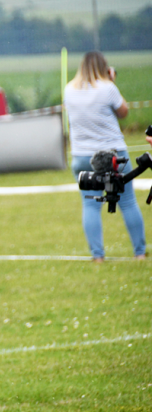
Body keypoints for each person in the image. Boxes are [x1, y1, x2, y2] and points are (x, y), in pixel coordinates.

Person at [65, 52, 146, 262]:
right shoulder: (108, 88)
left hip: (82, 156)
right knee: (127, 202)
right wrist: (111, 82)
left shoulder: (69, 90)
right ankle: (139, 252)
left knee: (90, 205)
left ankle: (98, 256)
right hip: (113, 155)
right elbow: (123, 112)